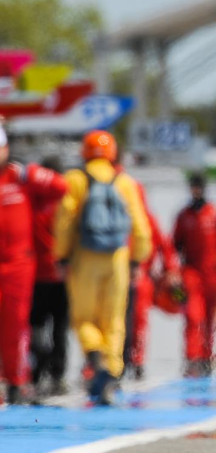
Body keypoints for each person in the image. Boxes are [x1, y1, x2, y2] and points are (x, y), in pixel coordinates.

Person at [54, 130, 151, 404]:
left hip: (85, 257)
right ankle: (111, 373)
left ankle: (95, 358)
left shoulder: (75, 179)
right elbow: (141, 229)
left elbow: (64, 223)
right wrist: (136, 261)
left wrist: (61, 257)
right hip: (118, 257)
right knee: (115, 319)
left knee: (83, 318)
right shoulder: (125, 182)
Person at [0, 123, 67, 404]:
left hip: (18, 268)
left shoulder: (20, 177)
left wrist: (30, 172)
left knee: (16, 328)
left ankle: (17, 382)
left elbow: (60, 187)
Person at [122, 161, 180, 381]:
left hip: (141, 279)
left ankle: (136, 361)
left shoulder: (148, 220)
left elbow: (166, 248)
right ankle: (115, 362)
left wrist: (171, 272)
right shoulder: (118, 217)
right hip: (116, 277)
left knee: (138, 322)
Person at [173, 171, 216, 377]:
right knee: (193, 316)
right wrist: (173, 273)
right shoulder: (184, 216)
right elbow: (174, 246)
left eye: (199, 187)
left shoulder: (215, 214)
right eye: (193, 187)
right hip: (191, 275)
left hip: (212, 275)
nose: (196, 191)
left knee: (209, 319)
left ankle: (206, 357)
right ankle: (192, 357)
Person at [27, 155, 70, 397]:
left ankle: (38, 370)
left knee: (36, 326)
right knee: (59, 328)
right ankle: (58, 375)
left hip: (36, 276)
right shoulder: (66, 204)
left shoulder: (31, 201)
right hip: (61, 276)